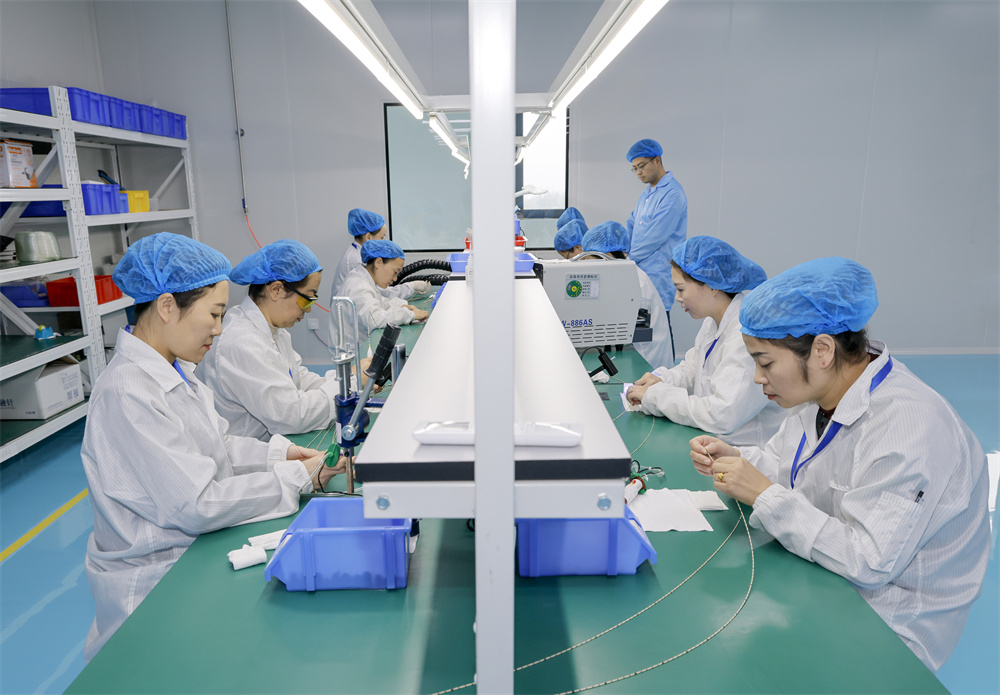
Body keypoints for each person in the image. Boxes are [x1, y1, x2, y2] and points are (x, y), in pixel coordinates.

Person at [689, 257, 990, 671]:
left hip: (889, 626)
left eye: (765, 362)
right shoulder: (821, 397)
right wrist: (740, 459)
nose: (758, 378)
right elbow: (786, 462)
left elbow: (869, 561)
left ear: (823, 351)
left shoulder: (910, 428)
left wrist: (764, 494)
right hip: (828, 580)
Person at [82, 233, 340, 661]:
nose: (219, 329)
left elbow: (217, 444)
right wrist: (298, 477)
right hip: (155, 590)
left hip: (188, 559)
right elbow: (197, 504)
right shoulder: (128, 392)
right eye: (215, 314)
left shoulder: (176, 369)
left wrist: (280, 454)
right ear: (167, 306)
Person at [626, 236, 784, 447]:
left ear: (711, 286)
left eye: (681, 289)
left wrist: (656, 397)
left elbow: (722, 414)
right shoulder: (714, 321)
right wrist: (663, 380)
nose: (677, 297)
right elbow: (694, 368)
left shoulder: (745, 335)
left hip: (744, 450)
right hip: (713, 440)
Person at [197, 240, 362, 440]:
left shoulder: (274, 329)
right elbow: (291, 416)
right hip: (254, 449)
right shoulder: (242, 340)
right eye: (307, 299)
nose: (309, 309)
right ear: (276, 290)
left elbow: (298, 378)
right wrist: (348, 384)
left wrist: (347, 383)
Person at [625, 138, 687, 364]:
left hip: (658, 275)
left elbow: (654, 236)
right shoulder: (646, 195)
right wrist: (621, 250)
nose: (638, 173)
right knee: (644, 334)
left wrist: (628, 259)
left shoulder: (673, 194)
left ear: (657, 160)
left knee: (661, 331)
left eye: (641, 166)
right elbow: (632, 224)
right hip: (640, 272)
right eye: (634, 169)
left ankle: (668, 377)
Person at [579, 221, 672, 371]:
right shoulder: (620, 274)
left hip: (645, 356)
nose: (586, 264)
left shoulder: (634, 280)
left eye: (589, 260)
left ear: (607, 256)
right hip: (632, 350)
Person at [335, 239, 429, 352]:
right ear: (378, 262)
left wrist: (402, 306)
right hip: (353, 354)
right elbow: (375, 319)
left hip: (360, 344)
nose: (395, 279)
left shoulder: (364, 278)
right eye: (395, 272)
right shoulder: (358, 286)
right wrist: (410, 315)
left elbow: (380, 301)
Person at [330, 208, 431, 301]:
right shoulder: (356, 260)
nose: (384, 243)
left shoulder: (357, 253)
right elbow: (382, 293)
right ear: (368, 237)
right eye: (382, 238)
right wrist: (411, 287)